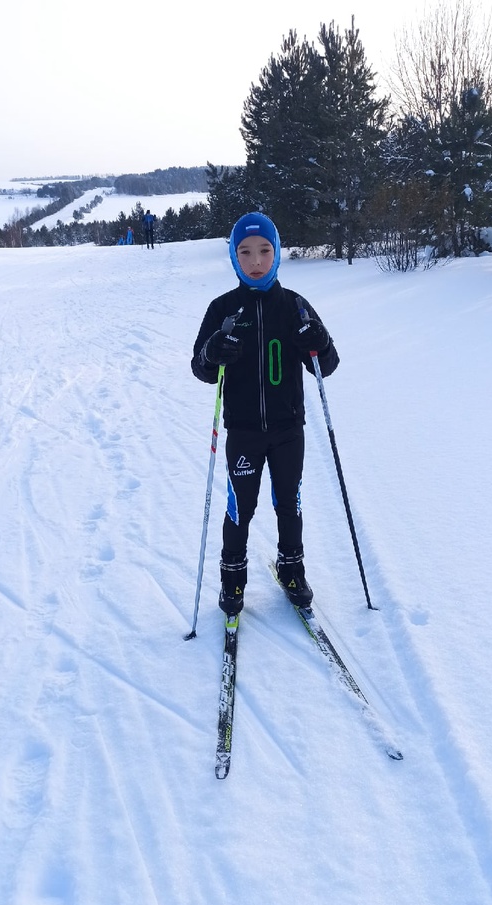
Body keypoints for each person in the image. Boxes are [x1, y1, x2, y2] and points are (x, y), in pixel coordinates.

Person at [191, 211, 339, 616]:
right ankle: (232, 581)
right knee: (241, 506)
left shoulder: (294, 305)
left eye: (264, 250)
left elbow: (326, 366)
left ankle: (293, 570)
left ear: (276, 253)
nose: (255, 260)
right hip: (243, 430)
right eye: (245, 252)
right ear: (233, 257)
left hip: (289, 428)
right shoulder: (223, 309)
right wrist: (213, 352)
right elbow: (200, 368)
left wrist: (319, 342)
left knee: (288, 502)